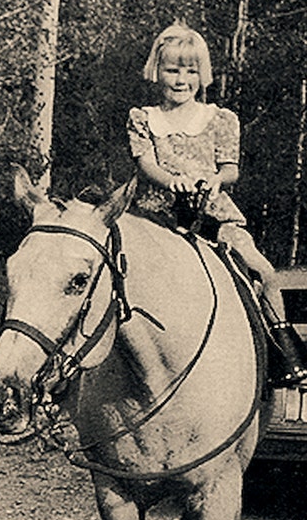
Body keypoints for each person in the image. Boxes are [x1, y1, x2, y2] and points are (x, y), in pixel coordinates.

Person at [127, 21, 307, 386]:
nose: (181, 79)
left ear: (201, 74)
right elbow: (146, 164)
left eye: (190, 71)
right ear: (157, 71)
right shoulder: (144, 118)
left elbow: (230, 169)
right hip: (160, 214)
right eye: (172, 70)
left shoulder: (218, 119)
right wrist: (170, 180)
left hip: (213, 214)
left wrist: (213, 180)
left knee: (263, 271)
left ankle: (280, 351)